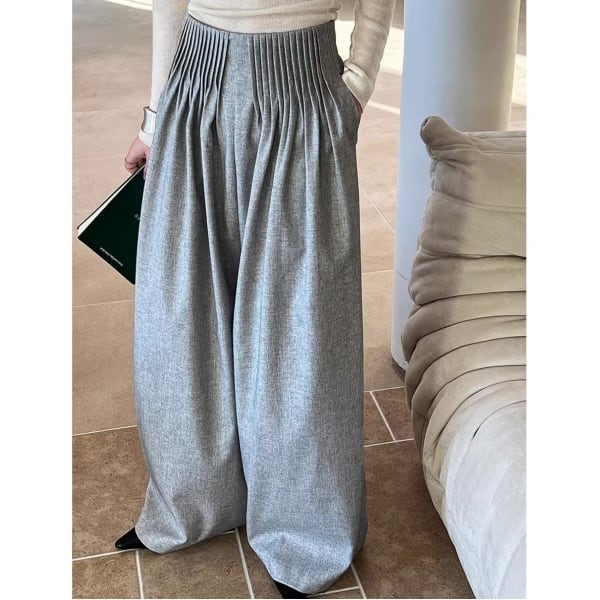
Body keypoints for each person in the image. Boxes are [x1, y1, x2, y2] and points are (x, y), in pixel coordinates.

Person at [118, 1, 395, 598]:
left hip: (306, 80)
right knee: (184, 313)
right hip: (197, 75)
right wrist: (155, 119)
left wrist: (357, 85)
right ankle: (194, 498)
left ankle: (306, 530)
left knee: (301, 327)